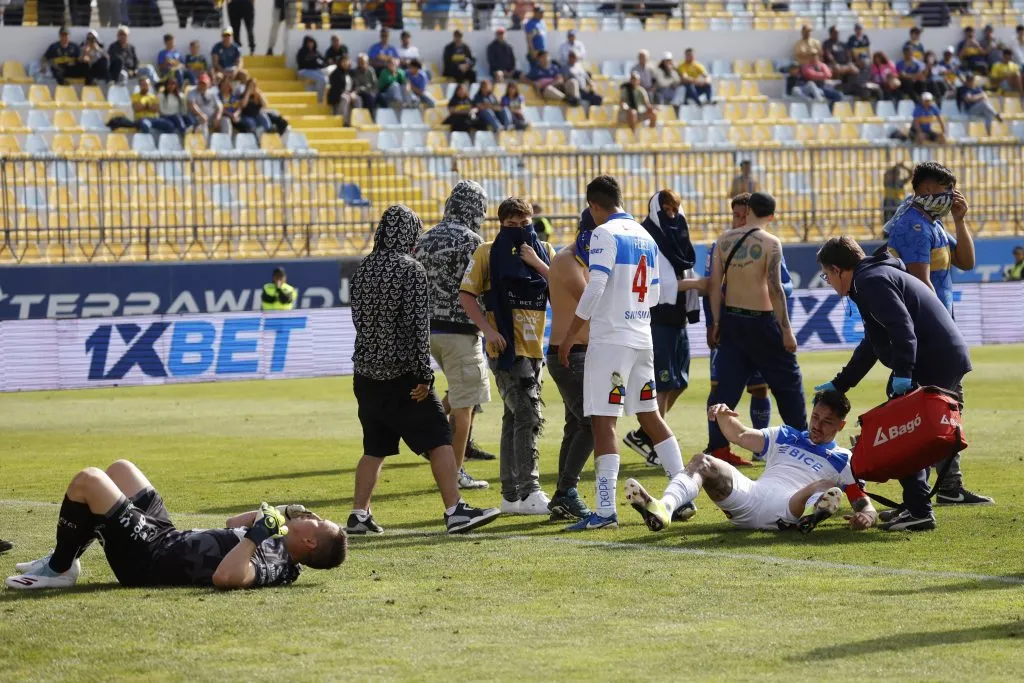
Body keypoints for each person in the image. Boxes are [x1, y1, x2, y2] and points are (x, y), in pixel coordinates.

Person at [349, 206, 501, 535]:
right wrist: (423, 376)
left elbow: (359, 321)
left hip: (365, 373)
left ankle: (359, 514)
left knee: (374, 448)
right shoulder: (411, 269)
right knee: (439, 439)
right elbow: (419, 327)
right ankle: (455, 510)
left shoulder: (363, 268)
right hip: (403, 375)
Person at [814, 236, 984, 531]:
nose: (827, 281)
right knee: (909, 432)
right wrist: (841, 383)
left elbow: (902, 328)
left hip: (931, 360)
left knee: (904, 433)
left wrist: (904, 373)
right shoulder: (871, 278)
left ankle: (919, 510)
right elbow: (872, 344)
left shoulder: (871, 282)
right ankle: (914, 505)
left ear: (838, 269)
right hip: (939, 357)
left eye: (826, 275)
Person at [554, 176, 690, 531]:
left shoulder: (604, 233)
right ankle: (684, 492)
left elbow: (596, 284)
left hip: (611, 340)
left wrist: (570, 335)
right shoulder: (645, 235)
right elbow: (659, 293)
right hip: (642, 337)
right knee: (649, 415)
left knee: (603, 420)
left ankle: (604, 511)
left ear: (593, 205)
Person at [5, 459, 346, 590]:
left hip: (149, 558)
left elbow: (227, 577)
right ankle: (67, 553)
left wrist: (257, 537)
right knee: (120, 469)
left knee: (89, 480)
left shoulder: (277, 564)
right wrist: (282, 512)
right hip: (168, 535)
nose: (313, 518)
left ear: (311, 544)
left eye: (317, 523)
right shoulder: (281, 539)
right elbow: (232, 523)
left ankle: (61, 567)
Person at [882, 162, 990, 507]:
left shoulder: (934, 223)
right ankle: (938, 487)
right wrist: (941, 331)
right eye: (942, 190)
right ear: (924, 191)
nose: (947, 196)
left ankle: (941, 485)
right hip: (929, 331)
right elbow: (920, 285)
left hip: (938, 328)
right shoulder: (914, 225)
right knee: (939, 406)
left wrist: (960, 219)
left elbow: (967, 262)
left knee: (942, 405)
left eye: (950, 189)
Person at [626, 391, 877, 533]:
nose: (817, 426)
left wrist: (867, 517)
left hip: (790, 506)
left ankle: (812, 514)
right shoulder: (787, 435)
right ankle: (664, 510)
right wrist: (723, 415)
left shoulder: (845, 459)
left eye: (827, 422)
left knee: (824, 487)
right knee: (702, 461)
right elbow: (741, 435)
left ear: (841, 425)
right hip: (749, 498)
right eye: (815, 417)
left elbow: (864, 504)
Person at [459, 197, 554, 516]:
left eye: (523, 224)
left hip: (534, 347)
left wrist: (538, 264)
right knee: (528, 414)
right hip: (505, 348)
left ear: (532, 222)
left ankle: (511, 496)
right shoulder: (486, 252)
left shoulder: (545, 252)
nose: (517, 230)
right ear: (500, 224)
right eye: (510, 225)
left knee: (514, 417)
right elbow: (466, 295)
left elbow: (562, 290)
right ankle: (530, 490)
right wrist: (488, 330)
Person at [706, 192, 806, 463]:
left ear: (747, 209)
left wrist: (715, 322)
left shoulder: (722, 240)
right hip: (762, 324)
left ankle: (716, 448)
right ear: (771, 216)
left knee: (724, 390)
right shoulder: (771, 242)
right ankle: (804, 443)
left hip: (731, 322)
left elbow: (715, 286)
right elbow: (775, 288)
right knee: (789, 385)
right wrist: (786, 329)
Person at [413, 181, 492, 492]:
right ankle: (455, 472)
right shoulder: (472, 241)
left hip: (425, 332)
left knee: (456, 394)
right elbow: (480, 289)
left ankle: (429, 437)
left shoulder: (424, 239)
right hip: (459, 332)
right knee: (466, 403)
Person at [623, 191, 698, 466]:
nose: (672, 214)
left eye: (675, 209)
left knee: (680, 382)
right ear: (657, 208)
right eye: (667, 209)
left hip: (677, 317)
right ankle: (655, 439)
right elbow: (656, 281)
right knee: (663, 383)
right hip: (657, 317)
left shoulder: (679, 235)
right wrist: (699, 286)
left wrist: (694, 288)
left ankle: (645, 434)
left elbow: (684, 271)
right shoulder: (646, 235)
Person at [545, 209, 598, 521]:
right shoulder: (568, 259)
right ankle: (567, 490)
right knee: (591, 422)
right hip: (570, 353)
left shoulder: (582, 258)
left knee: (576, 425)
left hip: (582, 351)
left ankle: (562, 496)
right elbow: (590, 300)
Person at [297, 35, 330, 103]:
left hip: (315, 70)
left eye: (312, 42)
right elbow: (302, 63)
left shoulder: (315, 52)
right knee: (321, 79)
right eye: (308, 42)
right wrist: (313, 61)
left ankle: (319, 97)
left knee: (326, 78)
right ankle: (319, 100)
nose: (310, 44)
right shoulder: (302, 51)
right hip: (304, 70)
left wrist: (322, 63)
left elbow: (323, 61)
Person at [328, 54, 358, 122]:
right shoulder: (335, 73)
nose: (345, 63)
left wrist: (353, 93)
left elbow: (355, 85)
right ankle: (343, 121)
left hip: (349, 94)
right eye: (343, 61)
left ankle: (355, 121)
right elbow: (336, 88)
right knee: (345, 98)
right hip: (338, 95)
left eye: (347, 61)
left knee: (358, 99)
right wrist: (347, 94)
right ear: (340, 62)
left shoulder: (352, 72)